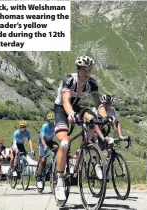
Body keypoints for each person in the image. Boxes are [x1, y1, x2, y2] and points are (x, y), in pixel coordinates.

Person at [53, 55, 110, 201]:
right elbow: (65, 101)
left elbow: (98, 104)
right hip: (62, 109)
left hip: (77, 108)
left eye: (89, 70)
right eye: (84, 70)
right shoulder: (69, 80)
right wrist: (71, 113)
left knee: (93, 119)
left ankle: (81, 151)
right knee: (64, 143)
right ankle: (59, 180)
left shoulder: (92, 83)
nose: (87, 73)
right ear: (78, 69)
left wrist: (105, 117)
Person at [36, 111, 58, 188]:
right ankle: (39, 178)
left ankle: (54, 164)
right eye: (50, 120)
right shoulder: (44, 126)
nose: (52, 122)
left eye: (53, 120)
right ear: (48, 121)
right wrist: (45, 145)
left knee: (57, 147)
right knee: (43, 160)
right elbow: (42, 138)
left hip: (49, 141)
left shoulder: (55, 126)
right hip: (42, 142)